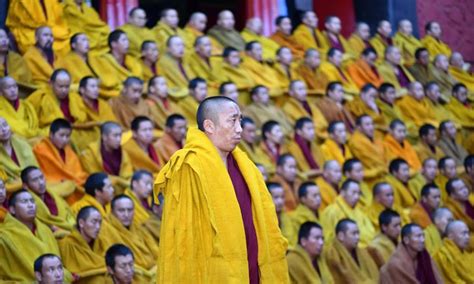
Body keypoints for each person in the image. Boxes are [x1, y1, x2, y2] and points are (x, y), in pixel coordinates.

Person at [154, 96, 288, 282]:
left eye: (240, 121)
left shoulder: (245, 165)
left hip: (251, 269)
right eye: (233, 121)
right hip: (212, 273)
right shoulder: (190, 166)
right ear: (209, 126)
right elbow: (185, 238)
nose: (239, 128)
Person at [0, 190, 63, 282]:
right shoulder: (4, 237)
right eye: (24, 202)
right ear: (12, 209)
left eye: (32, 201)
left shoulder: (45, 230)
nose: (30, 205)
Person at [26, 69, 89, 148]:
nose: (64, 90)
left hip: (75, 131)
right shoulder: (40, 97)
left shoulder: (74, 97)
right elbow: (28, 116)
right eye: (60, 86)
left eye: (67, 86)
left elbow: (82, 119)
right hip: (49, 133)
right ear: (51, 84)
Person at [33, 119, 88, 202]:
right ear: (51, 135)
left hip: (74, 185)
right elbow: (46, 175)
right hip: (54, 185)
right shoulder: (40, 150)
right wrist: (67, 181)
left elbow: (78, 173)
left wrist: (74, 181)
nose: (65, 139)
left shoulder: (69, 151)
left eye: (68, 136)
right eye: (61, 135)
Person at [56, 33, 122, 98]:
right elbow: (65, 86)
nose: (87, 43)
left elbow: (110, 76)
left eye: (87, 40)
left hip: (103, 90)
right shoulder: (66, 62)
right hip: (81, 95)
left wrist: (102, 82)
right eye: (83, 40)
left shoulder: (95, 59)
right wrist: (86, 85)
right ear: (74, 45)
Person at [107, 195, 159, 272]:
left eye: (130, 210)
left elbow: (156, 252)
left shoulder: (138, 227)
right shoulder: (107, 230)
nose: (126, 214)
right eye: (121, 210)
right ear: (112, 211)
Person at [21, 165, 76, 234]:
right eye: (35, 180)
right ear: (25, 186)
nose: (41, 182)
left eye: (41, 177)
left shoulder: (52, 194)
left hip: (70, 228)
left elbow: (68, 214)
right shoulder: (28, 205)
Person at [321, 179, 376, 246]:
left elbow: (371, 231)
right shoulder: (332, 212)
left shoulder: (359, 211)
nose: (357, 197)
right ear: (343, 193)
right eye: (353, 193)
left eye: (358, 193)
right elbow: (331, 238)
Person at [80, 122, 133, 189]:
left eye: (120, 135)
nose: (119, 139)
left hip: (123, 190)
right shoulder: (89, 154)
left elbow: (129, 175)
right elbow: (95, 179)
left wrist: (119, 181)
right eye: (115, 136)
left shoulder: (122, 153)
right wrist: (118, 181)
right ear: (104, 137)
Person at [6, 0, 70, 55]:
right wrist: (44, 27)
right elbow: (25, 20)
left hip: (52, 29)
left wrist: (50, 28)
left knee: (67, 42)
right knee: (35, 47)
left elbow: (58, 17)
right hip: (29, 30)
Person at [0, 116, 39, 193]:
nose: (4, 130)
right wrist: (20, 184)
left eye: (5, 125)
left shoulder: (22, 143)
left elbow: (35, 167)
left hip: (34, 183)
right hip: (13, 192)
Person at [77, 76, 118, 145]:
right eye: (92, 86)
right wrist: (96, 124)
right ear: (82, 90)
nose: (96, 90)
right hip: (87, 136)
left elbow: (112, 121)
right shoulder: (76, 104)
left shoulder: (102, 104)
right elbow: (76, 123)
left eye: (97, 87)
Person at [348, 115, 386, 185]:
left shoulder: (376, 136)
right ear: (359, 128)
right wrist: (384, 169)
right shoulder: (356, 142)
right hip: (372, 179)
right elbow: (371, 161)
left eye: (372, 124)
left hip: (384, 173)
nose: (371, 127)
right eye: (367, 125)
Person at [124, 170, 161, 241]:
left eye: (151, 185)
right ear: (135, 184)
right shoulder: (126, 202)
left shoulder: (149, 201)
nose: (150, 188)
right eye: (146, 184)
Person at [286, 182, 322, 247]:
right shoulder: (296, 218)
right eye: (314, 196)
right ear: (303, 199)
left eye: (319, 195)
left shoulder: (322, 214)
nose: (318, 199)